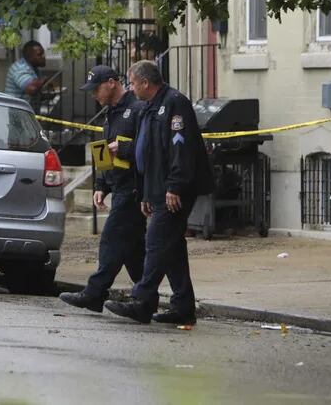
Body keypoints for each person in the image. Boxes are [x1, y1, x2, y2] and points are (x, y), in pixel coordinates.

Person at [104, 60, 214, 325]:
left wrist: (175, 186)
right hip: (156, 187)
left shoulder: (174, 103)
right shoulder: (149, 108)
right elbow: (148, 152)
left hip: (173, 189)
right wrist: (145, 193)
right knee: (172, 247)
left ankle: (141, 301)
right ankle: (183, 307)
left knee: (155, 241)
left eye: (132, 83)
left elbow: (180, 148)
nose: (130, 88)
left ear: (145, 83)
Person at [59, 66, 146, 312]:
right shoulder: (110, 114)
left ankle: (94, 293)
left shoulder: (137, 110)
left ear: (111, 83)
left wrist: (124, 149)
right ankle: (145, 296)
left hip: (134, 188)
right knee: (132, 249)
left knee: (111, 239)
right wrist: (101, 185)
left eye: (96, 89)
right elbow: (105, 152)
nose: (93, 94)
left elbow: (148, 148)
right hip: (118, 187)